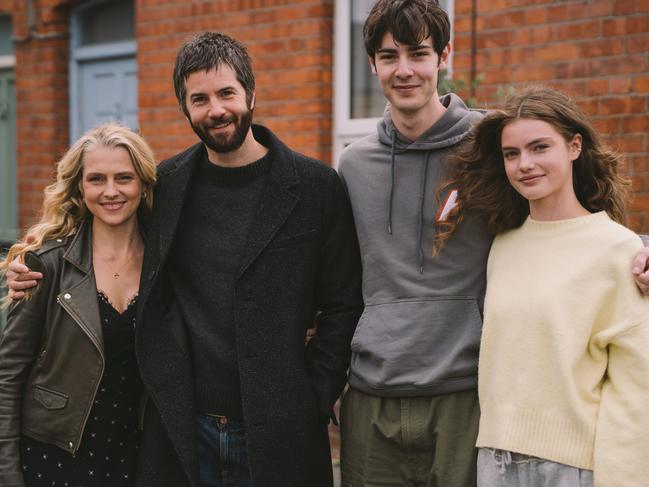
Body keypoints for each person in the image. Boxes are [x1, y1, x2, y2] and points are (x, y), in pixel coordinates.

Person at [5, 32, 363, 487]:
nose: (216, 109)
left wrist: (314, 395)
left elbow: (343, 304)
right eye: (200, 99)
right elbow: (107, 217)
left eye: (226, 93)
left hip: (281, 429)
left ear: (251, 93)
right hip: (182, 430)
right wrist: (34, 259)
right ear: (184, 107)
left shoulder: (316, 187)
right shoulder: (168, 186)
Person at [436, 85, 649, 486]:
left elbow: (636, 391)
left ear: (574, 146)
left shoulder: (618, 250)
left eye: (539, 147)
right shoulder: (502, 244)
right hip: (494, 463)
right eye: (511, 154)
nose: (524, 164)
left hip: (573, 468)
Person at [336, 1, 488, 485]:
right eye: (389, 56)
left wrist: (633, 251)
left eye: (418, 54)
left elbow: (564, 204)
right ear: (373, 65)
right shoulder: (353, 165)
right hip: (372, 393)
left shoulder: (489, 145)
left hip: (464, 392)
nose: (404, 70)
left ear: (444, 56)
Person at [0, 124, 157, 487]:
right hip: (52, 459)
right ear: (80, 187)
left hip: (134, 459)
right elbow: (8, 375)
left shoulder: (163, 265)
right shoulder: (46, 265)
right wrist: (7, 475)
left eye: (124, 178)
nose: (111, 191)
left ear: (144, 185)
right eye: (97, 179)